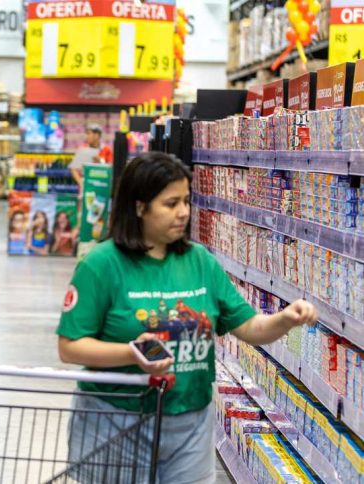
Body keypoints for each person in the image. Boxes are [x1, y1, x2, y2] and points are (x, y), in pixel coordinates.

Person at [56, 152, 317, 483]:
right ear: (139, 207)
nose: (183, 213)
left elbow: (249, 326)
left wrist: (285, 320)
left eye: (186, 201)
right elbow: (70, 347)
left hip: (190, 420)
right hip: (116, 419)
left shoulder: (200, 261)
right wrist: (131, 353)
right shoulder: (101, 264)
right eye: (170, 204)